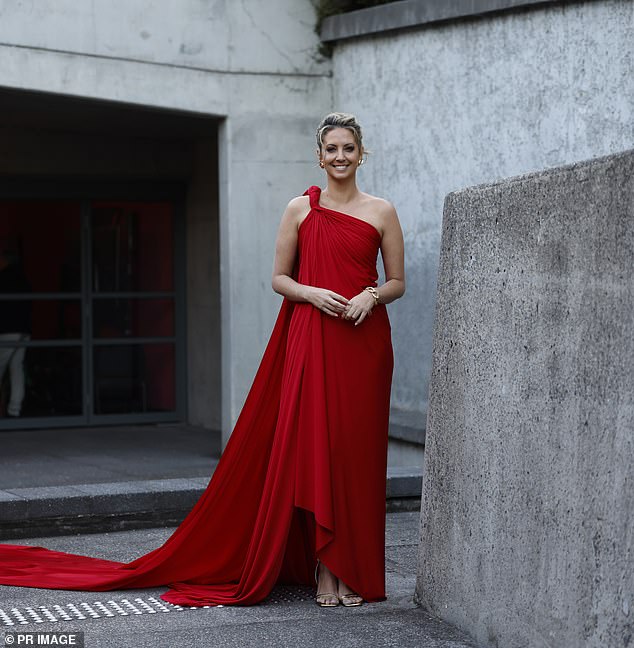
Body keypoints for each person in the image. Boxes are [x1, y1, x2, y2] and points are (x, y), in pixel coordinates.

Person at [0, 112, 406, 609]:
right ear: (318, 156)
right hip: (314, 335)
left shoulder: (382, 210)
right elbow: (279, 278)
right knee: (315, 448)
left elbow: (397, 282)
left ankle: (353, 566)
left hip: (363, 343)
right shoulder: (300, 209)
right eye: (331, 149)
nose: (340, 157)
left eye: (348, 148)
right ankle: (326, 565)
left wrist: (372, 295)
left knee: (355, 452)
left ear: (360, 153)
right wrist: (313, 292)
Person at [0, 239, 32, 418]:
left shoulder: (3, 278)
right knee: (16, 368)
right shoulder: (24, 279)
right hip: (23, 331)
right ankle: (15, 410)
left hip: (6, 330)